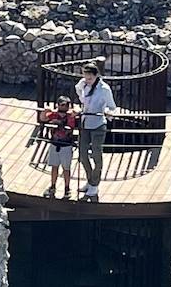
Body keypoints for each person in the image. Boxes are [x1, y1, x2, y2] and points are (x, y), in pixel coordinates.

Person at [75, 63, 117, 199]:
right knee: (82, 154)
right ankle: (90, 180)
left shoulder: (104, 89)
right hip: (85, 123)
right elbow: (82, 97)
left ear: (96, 76)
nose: (86, 80)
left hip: (98, 125)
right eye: (85, 77)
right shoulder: (83, 84)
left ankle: (94, 184)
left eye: (89, 78)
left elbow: (112, 107)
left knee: (96, 154)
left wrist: (107, 112)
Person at [38, 94, 78, 199]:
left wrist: (59, 122)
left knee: (66, 168)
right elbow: (43, 118)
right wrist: (46, 111)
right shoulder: (54, 114)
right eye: (61, 105)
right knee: (54, 167)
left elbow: (70, 127)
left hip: (66, 145)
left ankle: (67, 188)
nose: (63, 107)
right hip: (54, 143)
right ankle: (53, 186)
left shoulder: (70, 116)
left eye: (65, 105)